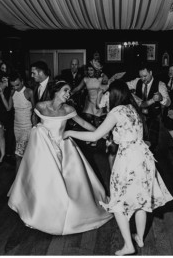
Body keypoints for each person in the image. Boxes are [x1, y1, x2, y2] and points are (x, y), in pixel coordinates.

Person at [67, 80, 173, 255]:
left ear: (114, 94)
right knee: (140, 201)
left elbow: (94, 136)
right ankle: (139, 238)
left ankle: (128, 246)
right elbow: (124, 134)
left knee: (118, 202)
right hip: (143, 158)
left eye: (108, 93)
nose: (106, 95)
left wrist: (70, 132)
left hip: (128, 160)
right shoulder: (132, 109)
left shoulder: (116, 111)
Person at [8, 82, 112, 235]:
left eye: (69, 91)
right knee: (44, 180)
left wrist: (101, 132)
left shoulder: (69, 109)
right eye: (65, 90)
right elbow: (35, 123)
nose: (68, 94)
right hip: (43, 149)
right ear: (55, 91)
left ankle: (66, 210)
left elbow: (83, 122)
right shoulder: (41, 106)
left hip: (63, 147)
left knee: (68, 181)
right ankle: (39, 209)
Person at [127, 65, 170, 153]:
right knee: (139, 138)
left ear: (150, 73)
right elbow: (124, 86)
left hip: (154, 115)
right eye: (141, 76)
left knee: (152, 141)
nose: (143, 79)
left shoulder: (160, 84)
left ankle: (150, 158)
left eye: (145, 76)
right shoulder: (137, 81)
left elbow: (168, 102)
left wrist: (161, 99)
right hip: (139, 115)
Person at [0, 72, 33, 169]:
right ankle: (24, 175)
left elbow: (35, 110)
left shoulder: (29, 92)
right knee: (23, 153)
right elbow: (8, 108)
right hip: (16, 126)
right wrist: (2, 94)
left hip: (27, 126)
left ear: (22, 81)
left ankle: (20, 179)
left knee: (19, 155)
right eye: (13, 86)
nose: (16, 87)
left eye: (18, 85)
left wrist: (35, 126)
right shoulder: (13, 92)